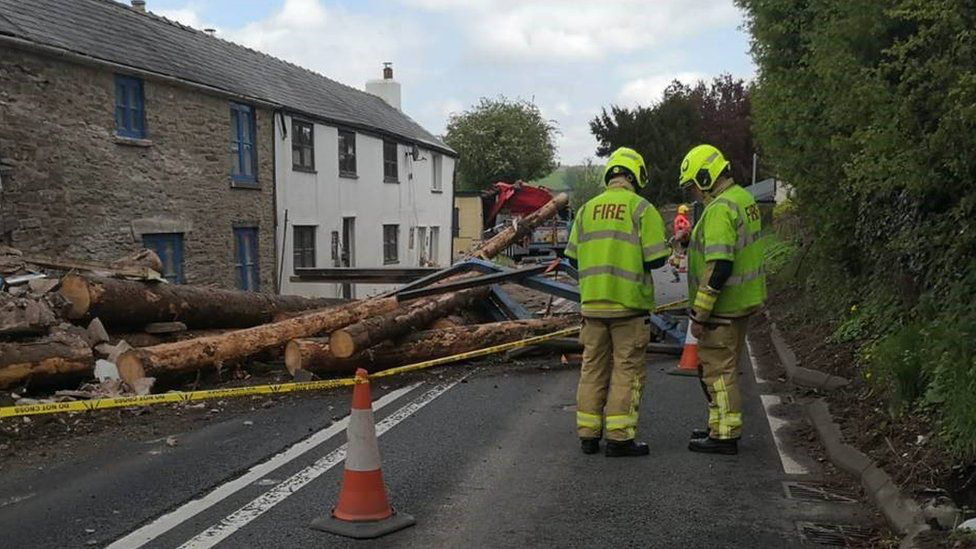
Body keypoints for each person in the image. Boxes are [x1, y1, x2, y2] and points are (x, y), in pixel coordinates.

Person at [565, 147, 669, 457]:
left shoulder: (586, 210)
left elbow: (571, 259)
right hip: (629, 306)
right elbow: (657, 260)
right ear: (636, 175)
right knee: (627, 370)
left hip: (592, 306)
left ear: (610, 174)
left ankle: (588, 435)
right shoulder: (642, 209)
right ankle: (619, 438)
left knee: (592, 369)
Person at [677, 144, 766, 455]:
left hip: (722, 308)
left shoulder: (718, 209)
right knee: (725, 368)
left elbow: (719, 265)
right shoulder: (742, 199)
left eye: (693, 186)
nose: (694, 193)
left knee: (717, 372)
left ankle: (724, 435)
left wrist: (699, 314)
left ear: (705, 177)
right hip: (741, 303)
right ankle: (718, 426)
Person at [669, 204, 691, 282]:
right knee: (680, 254)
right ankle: (679, 268)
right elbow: (683, 229)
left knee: (681, 253)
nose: (687, 213)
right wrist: (687, 233)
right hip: (683, 239)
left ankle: (679, 267)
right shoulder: (681, 219)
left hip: (681, 238)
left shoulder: (680, 218)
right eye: (686, 211)